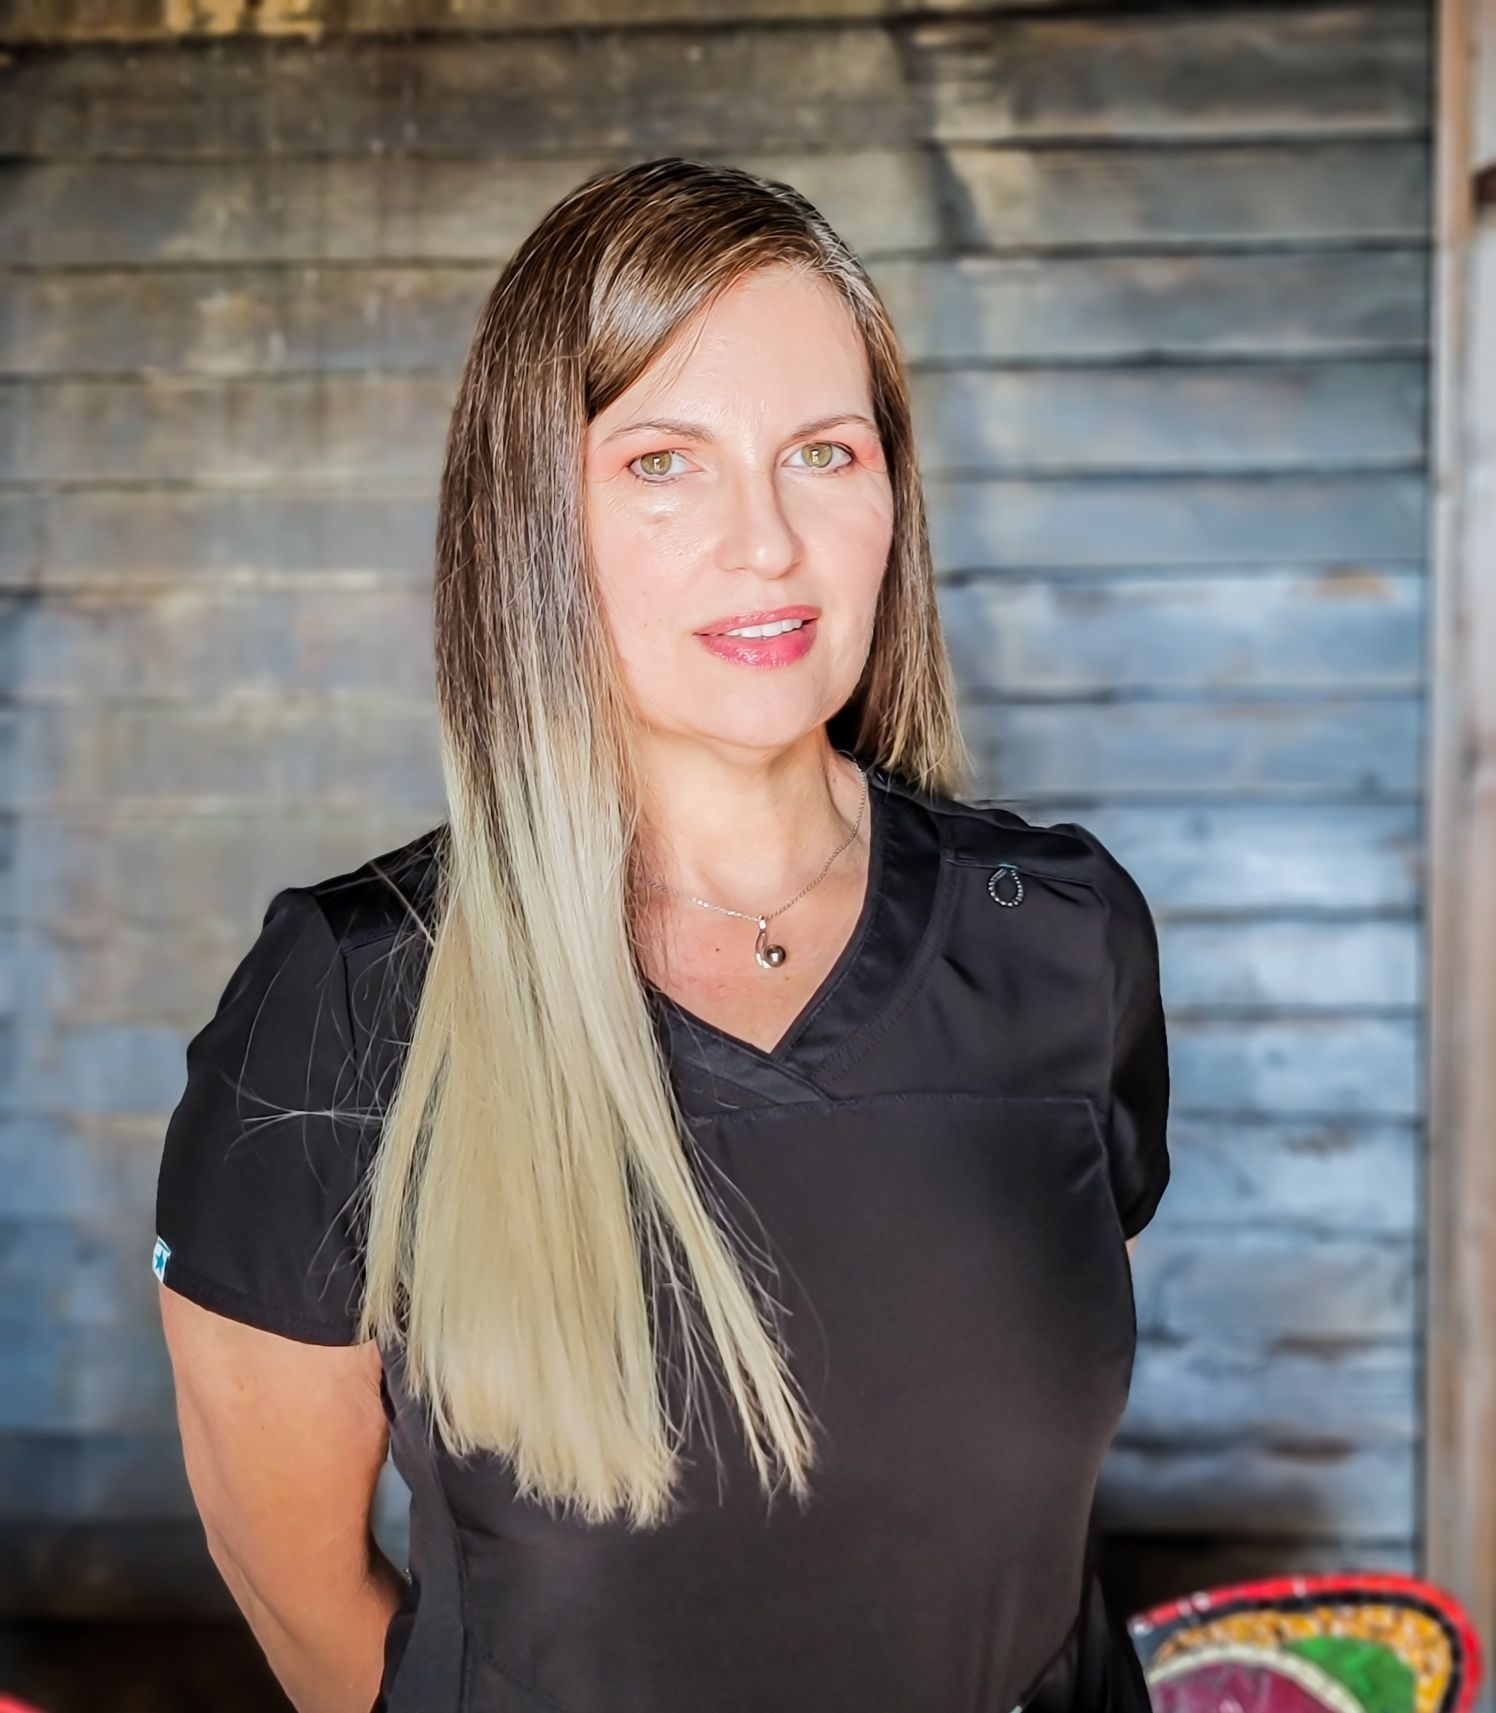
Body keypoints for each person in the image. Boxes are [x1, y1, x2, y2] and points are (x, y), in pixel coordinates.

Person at [153, 155, 1170, 1713]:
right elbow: (296, 1587)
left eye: (823, 453)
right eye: (661, 461)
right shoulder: (349, 1005)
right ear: (533, 515)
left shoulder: (1062, 939)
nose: (765, 541)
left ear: (892, 491)